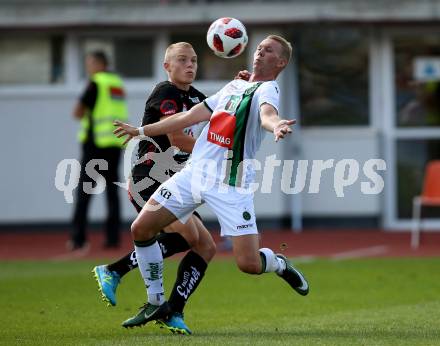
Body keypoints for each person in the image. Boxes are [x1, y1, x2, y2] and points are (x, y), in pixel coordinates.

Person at [113, 34, 310, 329]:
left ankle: (279, 263)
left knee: (248, 264)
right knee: (141, 228)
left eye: (268, 51)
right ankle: (155, 302)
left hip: (231, 183)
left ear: (280, 63)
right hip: (194, 174)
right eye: (259, 48)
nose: (259, 52)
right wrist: (141, 130)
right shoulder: (234, 85)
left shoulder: (268, 89)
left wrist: (276, 125)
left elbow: (267, 114)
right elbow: (190, 116)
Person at [93, 42, 217, 335]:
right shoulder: (166, 92)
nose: (190, 65)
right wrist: (217, 148)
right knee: (188, 235)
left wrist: (239, 89)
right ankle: (122, 276)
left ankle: (171, 309)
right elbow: (175, 136)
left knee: (205, 246)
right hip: (149, 178)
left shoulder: (199, 98)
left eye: (194, 60)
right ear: (167, 66)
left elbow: (223, 113)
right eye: (182, 60)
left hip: (175, 181)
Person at [69, 51, 127, 250]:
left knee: (84, 191)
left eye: (90, 63)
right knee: (112, 193)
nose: (88, 67)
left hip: (95, 145)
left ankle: (78, 238)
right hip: (114, 144)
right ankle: (113, 239)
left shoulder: (96, 82)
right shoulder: (116, 84)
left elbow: (77, 112)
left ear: (99, 63)